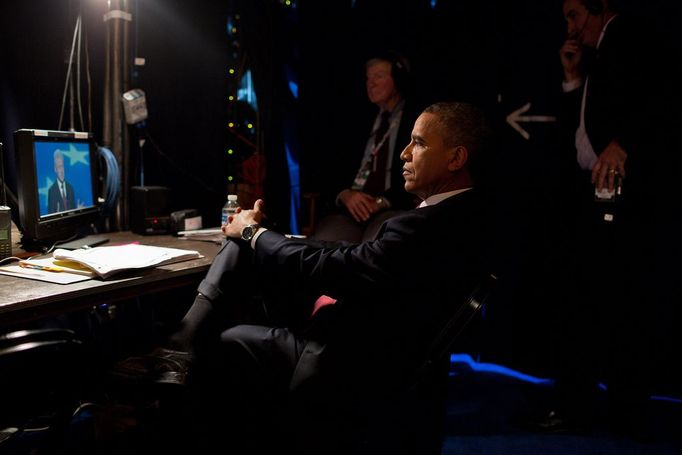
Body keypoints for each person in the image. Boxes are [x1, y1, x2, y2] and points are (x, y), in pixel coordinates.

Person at [152, 102, 493, 453]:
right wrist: (265, 236)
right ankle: (177, 348)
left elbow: (341, 267)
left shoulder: (425, 228)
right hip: (382, 355)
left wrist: (254, 234)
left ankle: (175, 365)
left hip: (347, 364)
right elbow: (351, 258)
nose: (405, 153)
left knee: (224, 337)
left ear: (456, 159)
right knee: (244, 248)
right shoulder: (467, 216)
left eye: (419, 143)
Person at [535, 0, 672, 439]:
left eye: (574, 15)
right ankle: (584, 406)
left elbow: (662, 95)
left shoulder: (630, 36)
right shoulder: (598, 53)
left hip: (627, 195)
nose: (570, 28)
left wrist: (623, 143)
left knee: (615, 303)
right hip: (589, 194)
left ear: (598, 9)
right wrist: (573, 78)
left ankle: (618, 411)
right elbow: (579, 125)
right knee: (585, 300)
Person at [312, 50, 419, 242]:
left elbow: (421, 173)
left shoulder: (416, 121)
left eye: (379, 76)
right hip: (349, 210)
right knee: (326, 245)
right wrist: (344, 194)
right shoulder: (356, 120)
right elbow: (329, 168)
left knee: (375, 247)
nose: (371, 83)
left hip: (392, 208)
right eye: (368, 78)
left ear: (398, 79)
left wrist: (383, 202)